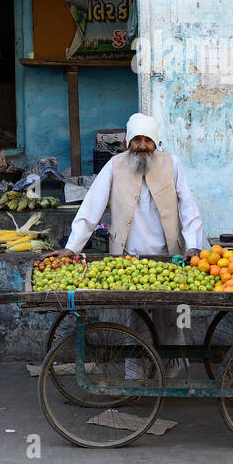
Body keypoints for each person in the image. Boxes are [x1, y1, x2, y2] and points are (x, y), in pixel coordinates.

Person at [63, 112, 205, 374]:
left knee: (171, 320)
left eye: (147, 140)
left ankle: (170, 375)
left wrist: (193, 245)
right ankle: (135, 377)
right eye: (137, 140)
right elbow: (91, 207)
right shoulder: (115, 166)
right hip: (129, 261)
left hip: (168, 259)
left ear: (156, 142)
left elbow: (188, 208)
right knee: (134, 322)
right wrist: (73, 246)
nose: (142, 146)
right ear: (128, 142)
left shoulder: (172, 164)